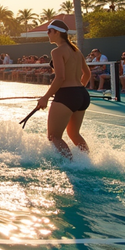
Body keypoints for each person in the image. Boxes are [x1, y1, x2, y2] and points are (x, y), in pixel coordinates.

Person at [35, 19, 91, 160]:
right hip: (82, 95)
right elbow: (87, 74)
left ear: (57, 32)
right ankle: (87, 163)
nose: (48, 34)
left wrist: (45, 97)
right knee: (74, 133)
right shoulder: (76, 51)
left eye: (49, 31)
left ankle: (71, 166)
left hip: (67, 95)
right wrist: (78, 91)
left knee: (54, 136)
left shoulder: (57, 51)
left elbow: (60, 78)